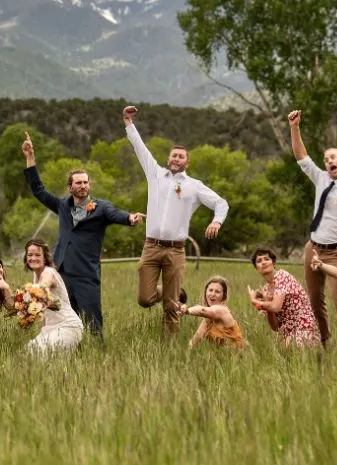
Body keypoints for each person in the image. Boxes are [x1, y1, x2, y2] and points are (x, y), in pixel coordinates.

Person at [21, 132, 142, 338]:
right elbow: (39, 190)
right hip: (63, 272)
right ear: (70, 187)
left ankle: (97, 355)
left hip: (86, 274)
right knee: (66, 320)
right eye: (78, 183)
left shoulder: (101, 208)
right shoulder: (62, 205)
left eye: (86, 182)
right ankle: (71, 354)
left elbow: (116, 214)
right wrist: (30, 158)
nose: (83, 186)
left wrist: (130, 218)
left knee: (93, 322)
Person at [122, 105, 229, 335]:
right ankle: (172, 293)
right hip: (151, 247)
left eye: (181, 156)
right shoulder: (156, 175)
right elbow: (140, 149)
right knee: (145, 298)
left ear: (186, 163)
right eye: (173, 155)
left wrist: (217, 221)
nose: (176, 158)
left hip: (175, 251)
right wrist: (129, 124)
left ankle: (169, 348)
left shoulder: (194, 186)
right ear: (168, 159)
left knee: (171, 308)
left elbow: (221, 203)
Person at [286, 110, 337, 346]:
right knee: (314, 300)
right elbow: (301, 155)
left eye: (334, 157)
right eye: (326, 159)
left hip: (336, 253)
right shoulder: (321, 178)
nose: (329, 161)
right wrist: (294, 127)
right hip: (313, 249)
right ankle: (325, 342)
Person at [21, 238, 85, 356]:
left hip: (68, 326)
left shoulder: (49, 272)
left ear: (45, 257)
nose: (33, 258)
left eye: (37, 255)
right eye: (30, 255)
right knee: (28, 352)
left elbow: (45, 284)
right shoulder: (35, 275)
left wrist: (34, 292)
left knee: (41, 353)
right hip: (50, 327)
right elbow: (44, 312)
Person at [246, 248, 321, 349]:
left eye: (266, 259)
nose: (263, 262)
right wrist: (267, 305)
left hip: (304, 328)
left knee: (292, 352)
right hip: (288, 334)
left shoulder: (282, 276)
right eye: (259, 261)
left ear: (274, 263)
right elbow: (275, 327)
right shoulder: (266, 290)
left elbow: (276, 307)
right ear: (257, 268)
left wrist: (255, 301)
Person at [179, 276, 245, 350]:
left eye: (217, 292)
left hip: (236, 356)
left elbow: (202, 310)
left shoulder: (222, 310)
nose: (212, 294)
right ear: (206, 292)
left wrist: (187, 310)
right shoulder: (207, 319)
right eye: (210, 290)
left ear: (223, 296)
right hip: (222, 357)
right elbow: (196, 339)